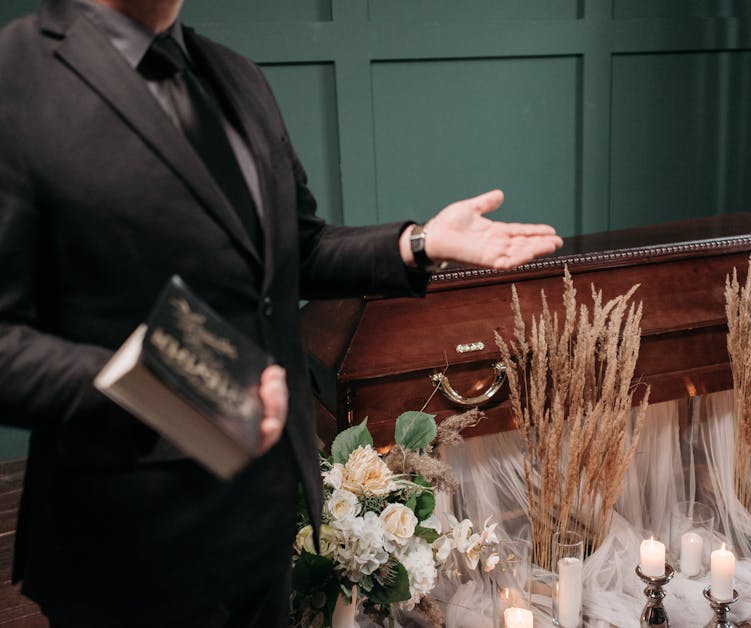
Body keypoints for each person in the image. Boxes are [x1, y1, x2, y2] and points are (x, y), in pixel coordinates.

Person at [0, 1, 563, 626]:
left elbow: (300, 245)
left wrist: (420, 242)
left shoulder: (236, 75)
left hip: (262, 520)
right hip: (123, 543)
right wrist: (180, 386)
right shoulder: (16, 74)